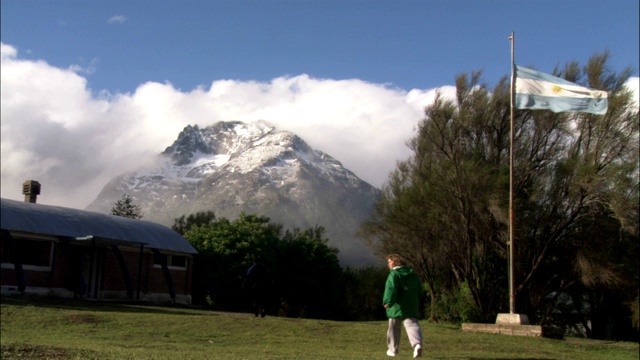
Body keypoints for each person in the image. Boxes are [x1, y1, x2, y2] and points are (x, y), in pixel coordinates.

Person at [382, 253, 423, 358]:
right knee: (412, 325)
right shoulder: (413, 275)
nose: (388, 264)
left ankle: (393, 350)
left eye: (389, 262)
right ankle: (417, 345)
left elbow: (391, 289)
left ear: (395, 262)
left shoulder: (394, 274)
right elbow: (419, 289)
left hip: (396, 305)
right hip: (411, 304)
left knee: (394, 327)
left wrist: (388, 301)